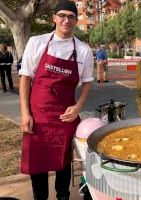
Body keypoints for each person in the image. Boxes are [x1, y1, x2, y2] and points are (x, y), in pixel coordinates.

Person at [18, 0, 94, 199]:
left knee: (63, 163)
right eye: (62, 15)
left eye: (71, 17)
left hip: (64, 118)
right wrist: (25, 113)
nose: (66, 20)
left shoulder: (84, 51)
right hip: (37, 116)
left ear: (76, 21)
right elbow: (25, 78)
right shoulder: (37, 42)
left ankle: (63, 196)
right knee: (37, 164)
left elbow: (87, 83)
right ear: (54, 18)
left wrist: (78, 107)